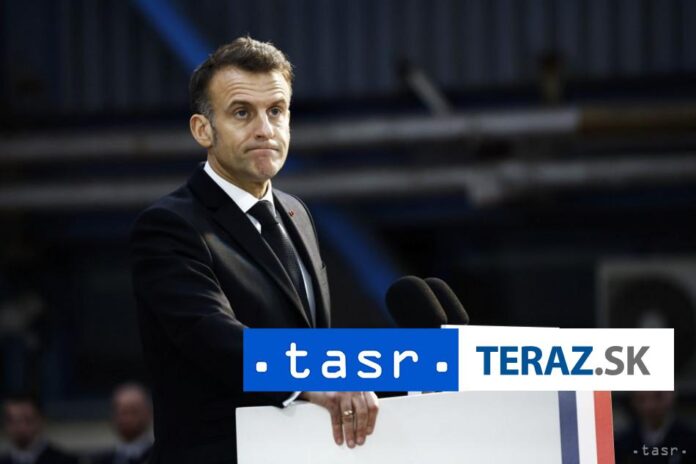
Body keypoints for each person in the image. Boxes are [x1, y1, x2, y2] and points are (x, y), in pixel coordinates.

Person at [130, 36, 378, 463]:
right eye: (242, 112)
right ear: (202, 129)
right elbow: (212, 334)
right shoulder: (169, 226)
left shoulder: (297, 214)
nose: (265, 129)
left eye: (276, 111)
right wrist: (309, 379)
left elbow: (313, 340)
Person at [615, 391, 696, 464]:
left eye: (658, 396)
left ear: (671, 395)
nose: (650, 406)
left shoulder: (690, 440)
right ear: (633, 401)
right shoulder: (622, 443)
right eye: (642, 399)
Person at [0, 394, 78, 464]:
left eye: (27, 420)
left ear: (41, 420)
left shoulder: (65, 461)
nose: (20, 427)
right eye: (12, 421)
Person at [91, 383, 153, 464]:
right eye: (122, 413)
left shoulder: (158, 457)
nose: (127, 419)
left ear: (148, 414)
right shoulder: (101, 460)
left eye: (133, 412)